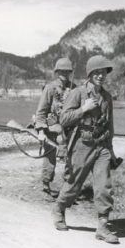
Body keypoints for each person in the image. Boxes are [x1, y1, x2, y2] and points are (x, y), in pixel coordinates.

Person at [52, 55, 119, 244]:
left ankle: (103, 226)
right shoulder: (78, 93)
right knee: (73, 184)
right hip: (82, 145)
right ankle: (59, 208)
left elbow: (110, 125)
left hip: (102, 146)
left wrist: (111, 149)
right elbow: (64, 119)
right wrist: (83, 109)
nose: (100, 76)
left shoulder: (106, 97)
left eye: (103, 72)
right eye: (96, 72)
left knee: (104, 185)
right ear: (90, 75)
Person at [34, 58, 76, 200]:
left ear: (70, 72)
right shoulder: (50, 88)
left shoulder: (75, 89)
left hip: (69, 130)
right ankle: (46, 186)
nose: (64, 74)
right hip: (51, 129)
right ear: (57, 72)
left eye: (67, 71)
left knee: (71, 159)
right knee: (49, 158)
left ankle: (67, 188)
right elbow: (41, 111)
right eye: (61, 71)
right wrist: (40, 131)